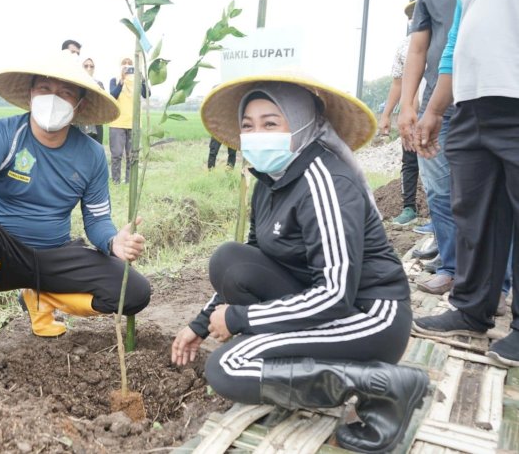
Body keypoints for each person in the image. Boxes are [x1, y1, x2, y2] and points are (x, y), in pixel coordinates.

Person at [172, 73, 428, 453]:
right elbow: (254, 260)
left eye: (271, 123)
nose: (257, 134)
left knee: (228, 367)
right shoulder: (270, 182)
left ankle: (383, 386)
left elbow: (337, 294)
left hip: (369, 318)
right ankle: (297, 348)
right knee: (229, 260)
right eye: (248, 126)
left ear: (304, 124)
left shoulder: (325, 181)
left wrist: (241, 320)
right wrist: (200, 324)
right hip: (325, 307)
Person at [0, 52, 151, 374]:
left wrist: (113, 241)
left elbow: (97, 220)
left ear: (80, 105)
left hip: (52, 256)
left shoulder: (92, 155)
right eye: (44, 88)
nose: (53, 99)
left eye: (66, 92)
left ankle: (42, 299)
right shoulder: (0, 134)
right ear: (30, 95)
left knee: (134, 293)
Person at [412, 0, 519, 367]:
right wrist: (436, 109)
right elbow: (456, 42)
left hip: (514, 96)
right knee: (474, 212)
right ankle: (472, 310)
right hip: (470, 104)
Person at [397, 0, 474, 296]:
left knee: (487, 194)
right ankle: (451, 267)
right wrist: (408, 104)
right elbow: (418, 49)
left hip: (484, 102)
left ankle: (496, 282)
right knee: (441, 191)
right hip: (436, 110)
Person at [380, 0, 421, 228]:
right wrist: (387, 114)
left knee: (440, 166)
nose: (413, 18)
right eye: (411, 15)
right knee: (410, 161)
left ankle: (439, 216)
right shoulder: (405, 46)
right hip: (410, 115)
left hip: (436, 113)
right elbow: (398, 82)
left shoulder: (442, 38)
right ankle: (409, 207)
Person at [108, 57, 147, 185]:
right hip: (117, 123)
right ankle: (116, 182)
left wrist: (142, 80)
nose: (127, 66)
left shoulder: (138, 81)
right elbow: (113, 95)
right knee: (117, 155)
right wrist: (122, 81)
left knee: (132, 156)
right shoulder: (114, 80)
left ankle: (129, 182)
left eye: (130, 64)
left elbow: (147, 94)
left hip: (134, 124)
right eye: (124, 64)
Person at [80, 57, 105, 144]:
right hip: (79, 124)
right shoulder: (76, 83)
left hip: (96, 123)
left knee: (96, 151)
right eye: (86, 66)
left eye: (91, 66)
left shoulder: (99, 84)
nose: (89, 68)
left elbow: (102, 103)